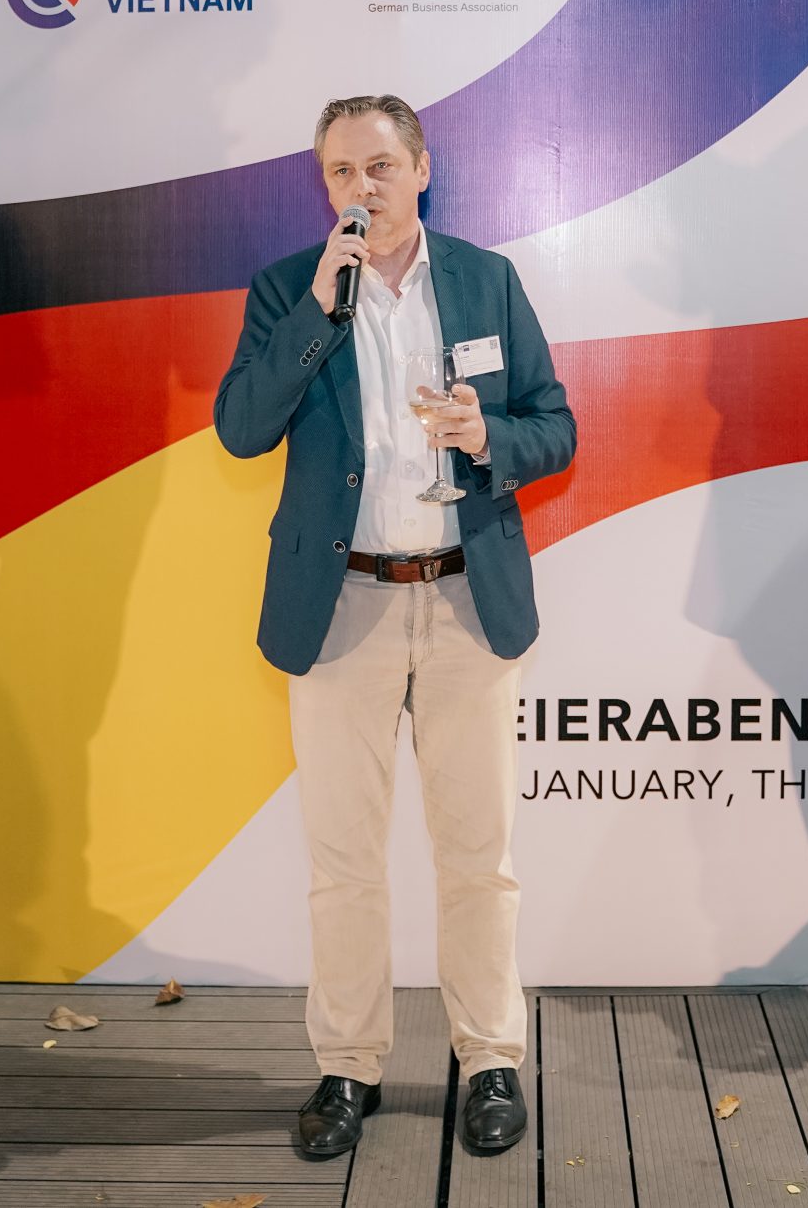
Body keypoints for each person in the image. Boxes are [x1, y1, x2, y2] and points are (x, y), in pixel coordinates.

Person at [214, 95, 576, 1162]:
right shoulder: (291, 287)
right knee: (343, 860)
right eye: (340, 171)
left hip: (466, 599)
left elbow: (555, 427)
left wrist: (488, 435)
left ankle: (490, 1057)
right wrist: (315, 315)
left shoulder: (485, 279)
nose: (360, 188)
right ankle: (348, 1066)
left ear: (421, 168)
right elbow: (241, 429)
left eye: (378, 166)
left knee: (478, 855)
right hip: (342, 607)